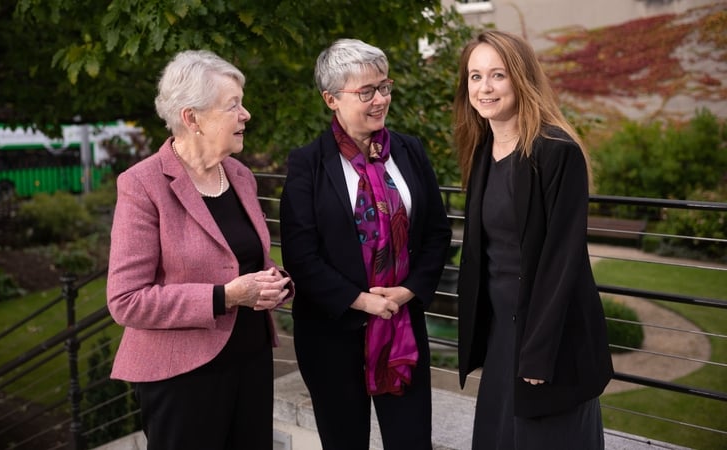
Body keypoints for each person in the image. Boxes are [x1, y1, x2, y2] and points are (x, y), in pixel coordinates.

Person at [106, 49, 293, 450]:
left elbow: (243, 261)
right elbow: (126, 301)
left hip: (252, 362)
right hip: (182, 377)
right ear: (192, 118)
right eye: (234, 106)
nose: (246, 115)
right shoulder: (142, 185)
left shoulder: (241, 176)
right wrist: (224, 297)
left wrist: (275, 282)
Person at [279, 38, 452, 450]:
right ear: (331, 99)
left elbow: (437, 233)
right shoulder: (308, 164)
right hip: (331, 335)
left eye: (385, 86)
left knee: (411, 443)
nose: (380, 100)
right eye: (366, 91)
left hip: (401, 326)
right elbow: (301, 257)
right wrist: (363, 301)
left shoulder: (410, 150)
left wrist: (408, 290)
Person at [452, 30, 614, 449]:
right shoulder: (483, 152)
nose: (484, 88)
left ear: (521, 78)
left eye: (497, 75)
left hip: (549, 338)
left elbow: (563, 261)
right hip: (502, 335)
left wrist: (538, 352)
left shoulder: (556, 152)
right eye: (475, 76)